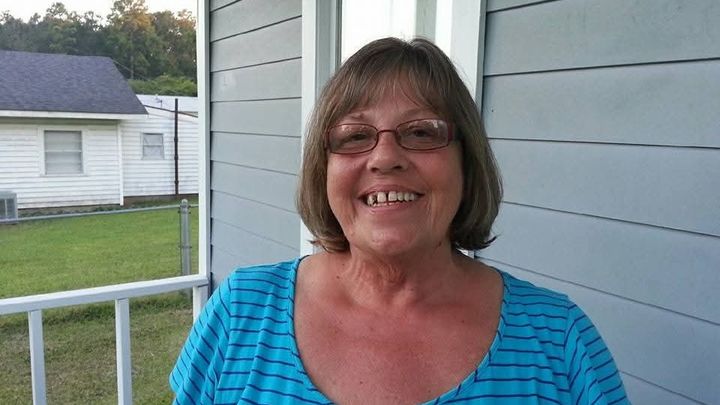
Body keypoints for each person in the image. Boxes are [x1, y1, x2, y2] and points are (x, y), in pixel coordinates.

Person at [170, 37, 629, 404]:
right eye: (355, 136)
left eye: (421, 132)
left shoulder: (559, 340)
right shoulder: (240, 313)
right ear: (323, 169)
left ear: (466, 162)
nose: (385, 157)